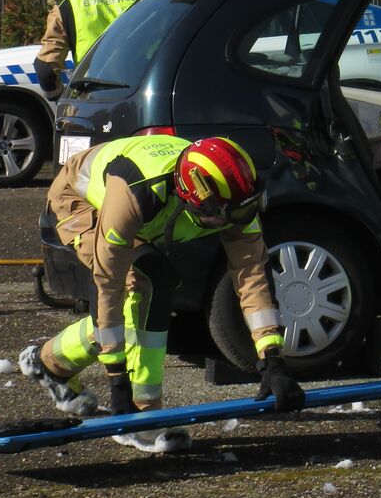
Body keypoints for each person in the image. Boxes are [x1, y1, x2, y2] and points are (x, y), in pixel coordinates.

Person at [20, 133, 304, 453]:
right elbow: (106, 286)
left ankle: (50, 361)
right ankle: (144, 411)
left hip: (147, 202)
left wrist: (272, 360)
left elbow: (252, 277)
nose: (231, 224)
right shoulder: (135, 192)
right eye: (220, 216)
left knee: (150, 288)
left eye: (240, 212)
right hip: (79, 198)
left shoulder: (233, 198)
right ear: (190, 196)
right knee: (147, 281)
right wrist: (117, 381)